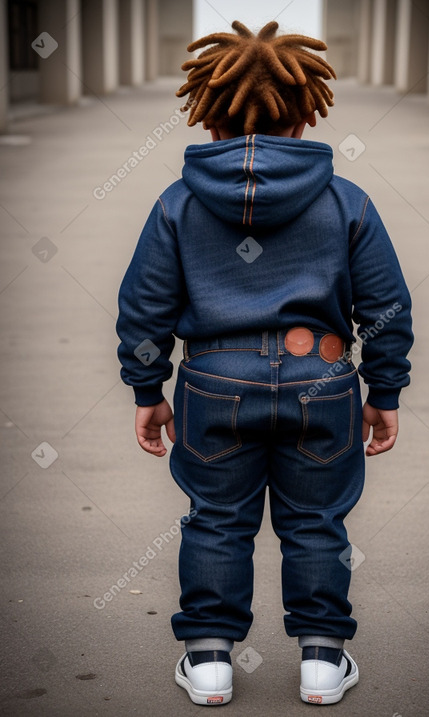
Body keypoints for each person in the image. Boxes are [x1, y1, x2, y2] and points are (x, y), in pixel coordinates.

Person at [116, 20, 413, 707]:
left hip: (213, 383)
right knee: (316, 522)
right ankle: (320, 660)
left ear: (207, 119)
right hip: (325, 383)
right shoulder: (346, 201)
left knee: (217, 518)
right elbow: (386, 304)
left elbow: (144, 307)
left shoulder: (178, 204)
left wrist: (146, 387)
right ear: (309, 115)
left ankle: (212, 660)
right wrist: (386, 390)